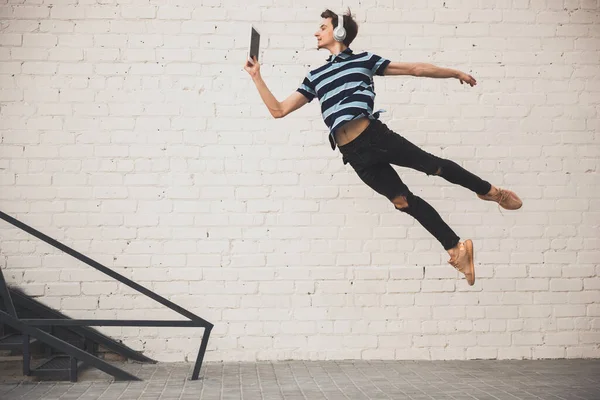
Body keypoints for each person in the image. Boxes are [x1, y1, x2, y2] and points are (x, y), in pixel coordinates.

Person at [243, 8, 522, 286]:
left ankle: (490, 192)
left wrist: (454, 73)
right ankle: (456, 250)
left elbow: (415, 69)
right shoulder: (315, 76)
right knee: (401, 201)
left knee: (433, 166)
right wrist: (256, 76)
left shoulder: (364, 61)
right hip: (353, 154)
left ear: (339, 33)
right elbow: (279, 110)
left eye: (323, 27)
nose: (317, 32)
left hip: (375, 136)